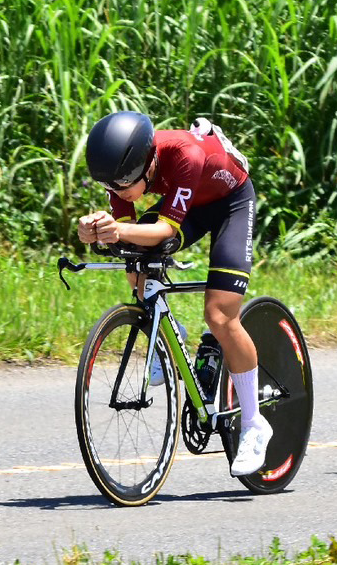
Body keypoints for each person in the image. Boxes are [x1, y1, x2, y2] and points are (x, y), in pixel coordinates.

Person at [75, 111, 272, 478]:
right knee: (135, 261)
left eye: (123, 185)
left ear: (147, 165)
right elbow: (128, 231)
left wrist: (117, 229)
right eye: (110, 187)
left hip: (231, 203)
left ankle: (254, 424)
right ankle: (169, 334)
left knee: (220, 316)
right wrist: (95, 231)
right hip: (193, 205)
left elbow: (165, 229)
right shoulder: (122, 168)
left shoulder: (185, 155)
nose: (117, 193)